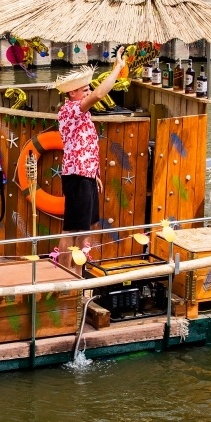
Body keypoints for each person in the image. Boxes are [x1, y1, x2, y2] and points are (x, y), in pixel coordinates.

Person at [49, 47, 126, 273]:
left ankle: (79, 271)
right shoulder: (70, 110)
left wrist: (95, 175)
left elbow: (87, 146)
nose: (88, 92)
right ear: (72, 93)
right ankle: (65, 273)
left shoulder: (80, 112)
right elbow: (99, 95)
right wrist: (118, 68)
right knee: (72, 228)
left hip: (86, 175)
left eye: (87, 89)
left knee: (87, 226)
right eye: (84, 90)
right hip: (77, 176)